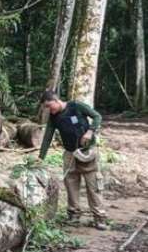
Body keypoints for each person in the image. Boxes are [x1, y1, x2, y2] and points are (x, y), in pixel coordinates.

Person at [38, 89, 108, 230]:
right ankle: (74, 215)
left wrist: (90, 131)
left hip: (87, 152)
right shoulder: (54, 117)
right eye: (46, 108)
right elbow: (47, 137)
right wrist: (41, 158)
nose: (49, 110)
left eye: (49, 106)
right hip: (70, 154)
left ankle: (99, 218)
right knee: (71, 185)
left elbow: (97, 116)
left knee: (93, 186)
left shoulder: (76, 106)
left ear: (56, 100)